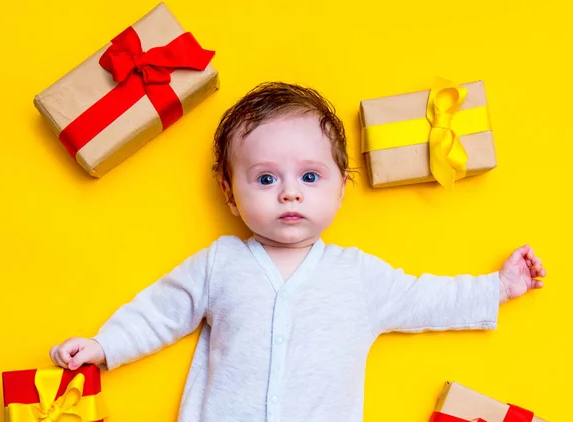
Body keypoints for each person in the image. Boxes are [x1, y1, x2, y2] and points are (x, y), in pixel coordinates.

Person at [49, 82, 546, 422]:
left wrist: (498, 287)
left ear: (341, 189)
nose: (289, 193)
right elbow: (162, 311)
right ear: (230, 193)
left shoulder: (359, 277)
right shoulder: (220, 263)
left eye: (310, 176)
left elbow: (427, 299)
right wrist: (104, 346)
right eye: (265, 178)